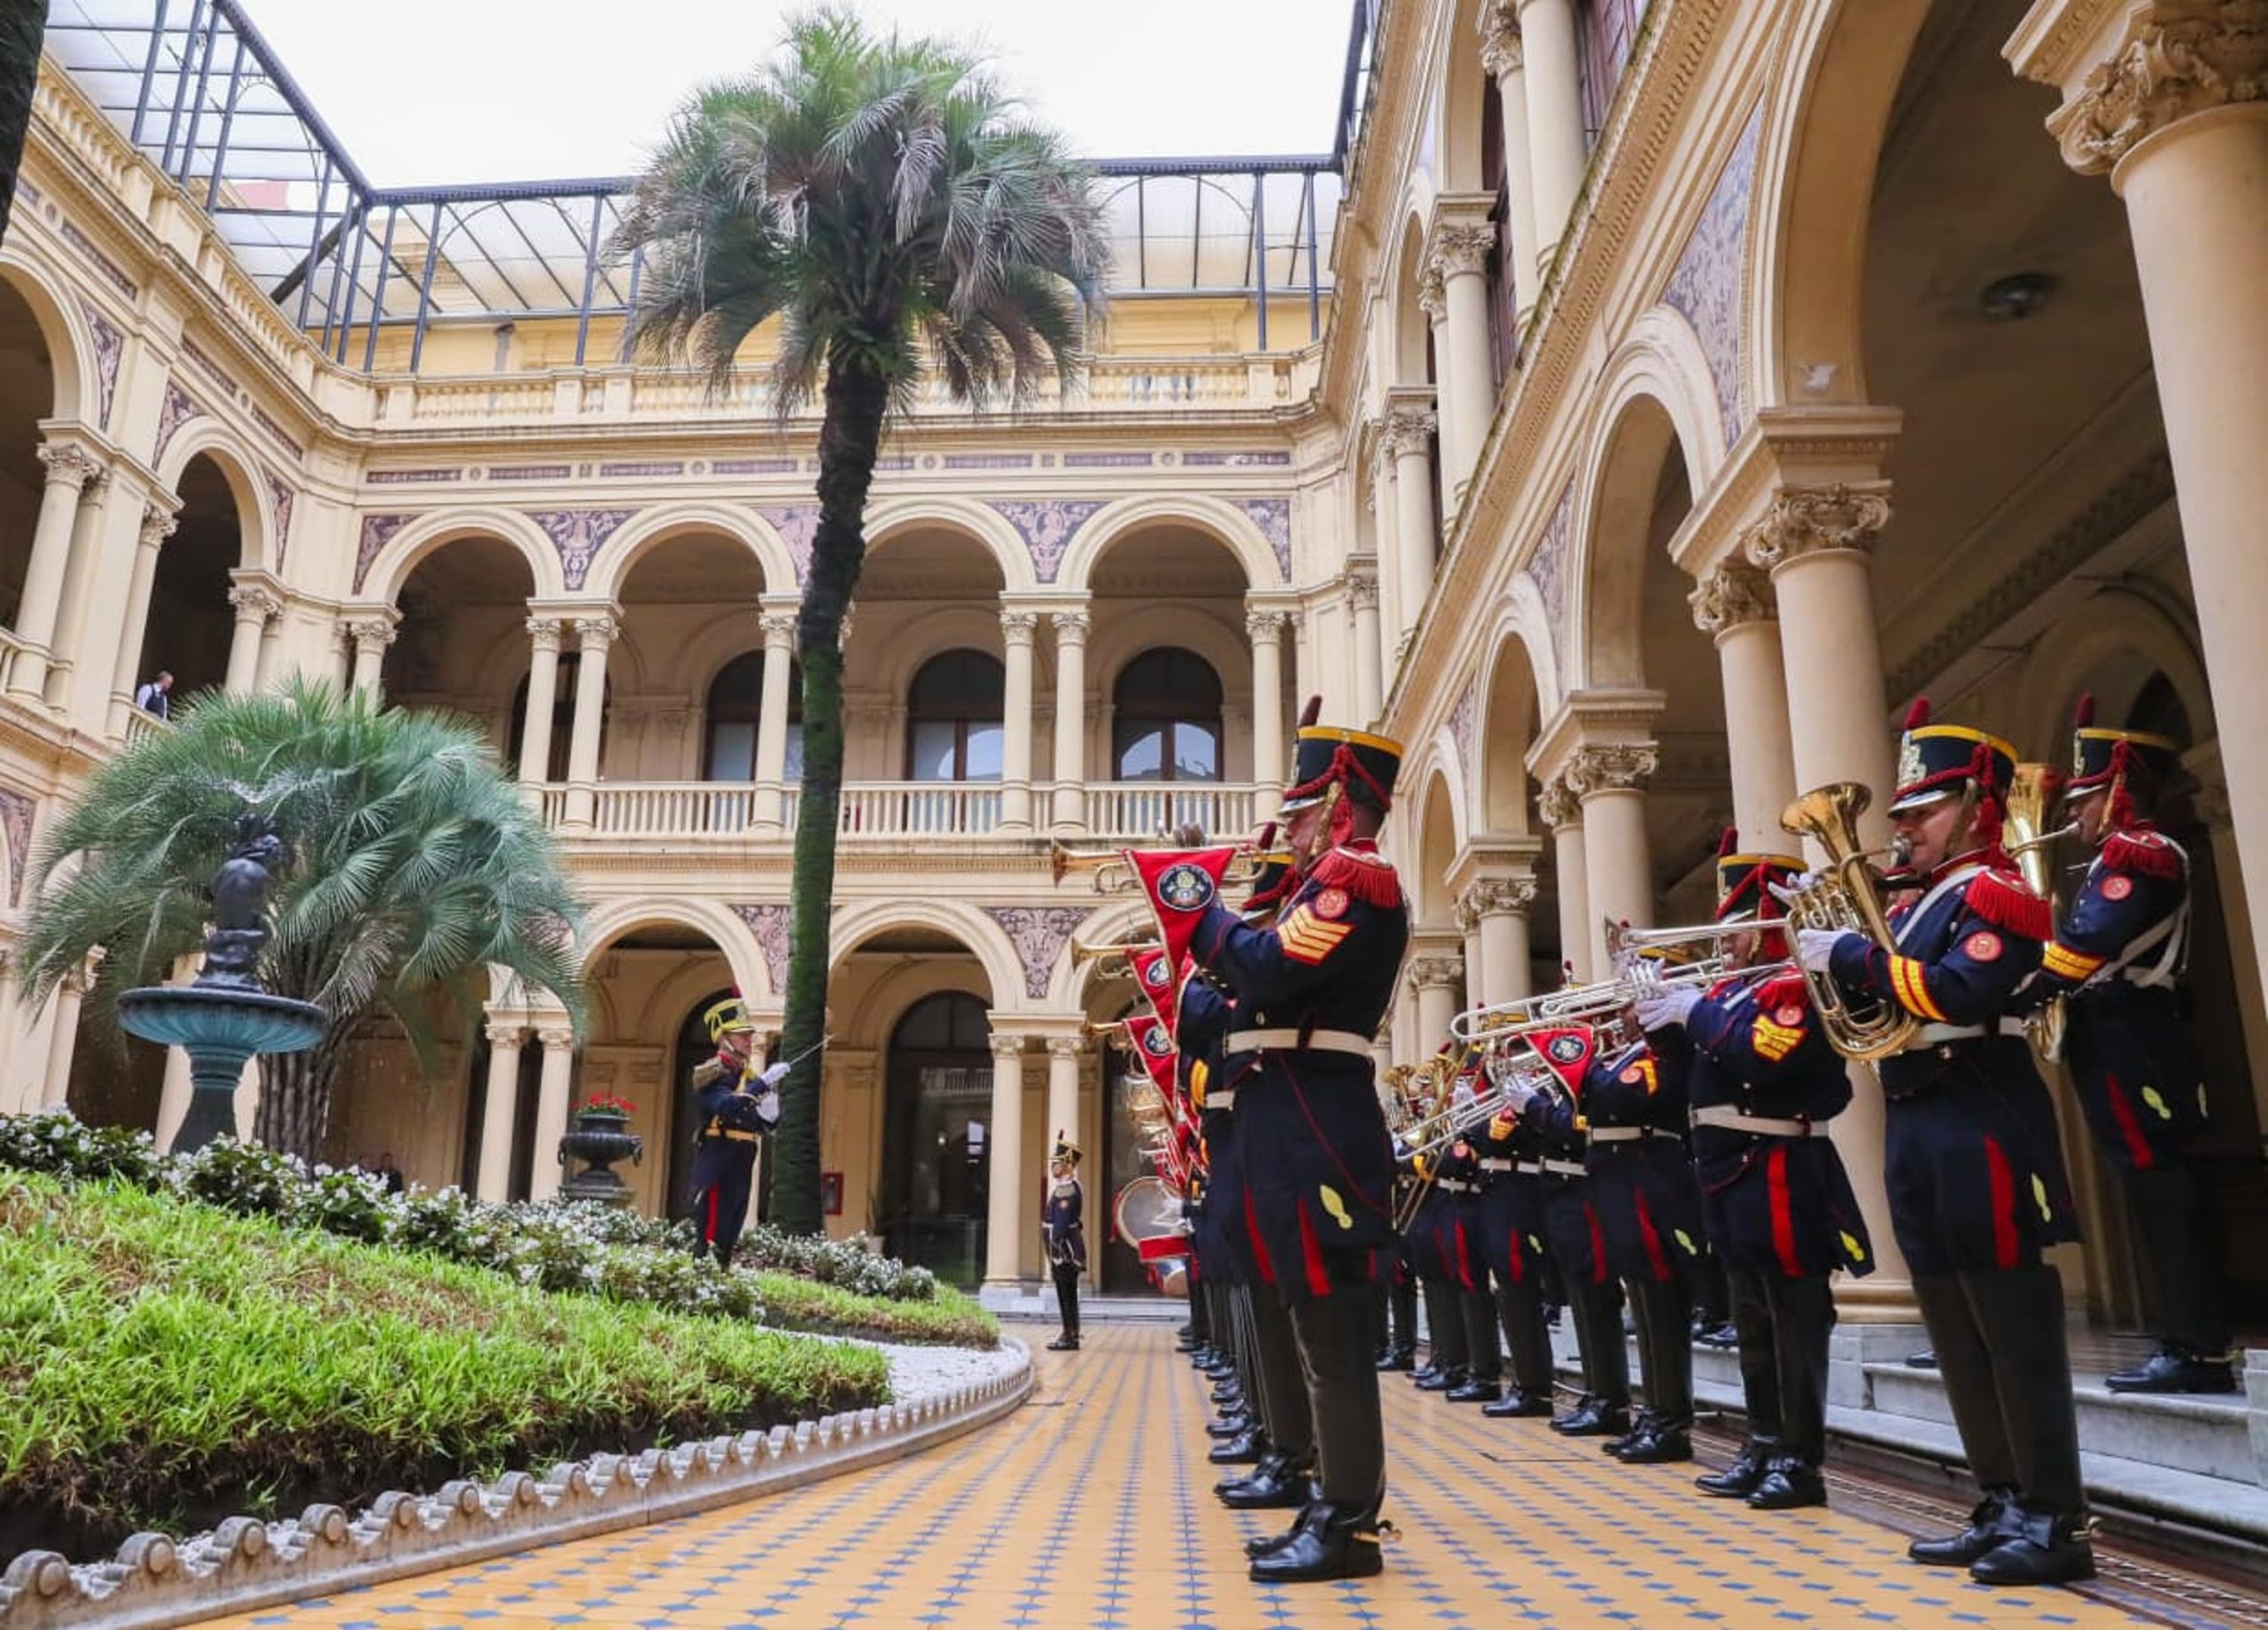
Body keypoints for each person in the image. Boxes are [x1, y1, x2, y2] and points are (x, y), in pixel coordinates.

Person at [1799, 700, 2091, 1586]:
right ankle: (2000, 1496)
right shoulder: (1920, 903)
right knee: (1956, 1330)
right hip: (1918, 1120)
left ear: (1974, 806)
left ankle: (2054, 1516)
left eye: (1921, 812)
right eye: (1898, 816)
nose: (1901, 831)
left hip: (1981, 1116)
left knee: (2013, 1328)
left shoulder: (1994, 891)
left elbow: (1961, 992)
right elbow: (1885, 1010)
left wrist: (1849, 959)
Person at [1184, 710, 1409, 1584]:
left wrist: (1198, 908)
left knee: (1334, 1330)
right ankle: (1329, 1502)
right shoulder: (1320, 889)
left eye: (1304, 810)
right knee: (1314, 1327)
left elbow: (1269, 973)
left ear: (1341, 810)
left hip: (1320, 1130)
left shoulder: (1354, 881)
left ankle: (1347, 1520)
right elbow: (1243, 1003)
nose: (1289, 828)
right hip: (1293, 1125)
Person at [1636, 834, 1875, 1510]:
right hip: (1730, 1172)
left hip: (1782, 1169)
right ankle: (1764, 1441)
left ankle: (1801, 1460)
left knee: (1794, 1318)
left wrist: (1694, 1010)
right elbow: (1693, 1077)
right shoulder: (1734, 995)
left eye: (1740, 929)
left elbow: (1760, 1059)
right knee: (1752, 1317)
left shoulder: (1795, 986)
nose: (1729, 943)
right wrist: (1662, 1021)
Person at [2029, 696, 2232, 1394]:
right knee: (2144, 1183)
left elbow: (2087, 945)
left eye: (2084, 798)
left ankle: (2196, 1345)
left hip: (2132, 1029)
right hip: (2113, 1027)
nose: (2074, 816)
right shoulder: (2113, 860)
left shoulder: (2139, 853)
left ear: (2116, 792)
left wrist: (2015, 976)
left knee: (2158, 1182)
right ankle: (2181, 1336)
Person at [687, 993, 786, 1267]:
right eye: (741, 1035)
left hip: (744, 1153)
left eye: (749, 1035)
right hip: (719, 1154)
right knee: (711, 1223)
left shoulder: (749, 1077)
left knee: (734, 1218)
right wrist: (761, 1085)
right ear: (724, 1038)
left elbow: (763, 1124)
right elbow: (727, 1107)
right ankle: (702, 1275)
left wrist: (771, 1110)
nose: (748, 1039)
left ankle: (723, 1269)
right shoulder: (711, 1074)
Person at [1041, 1135, 1086, 1351]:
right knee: (1067, 1292)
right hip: (1065, 1248)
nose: (1053, 1166)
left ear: (1068, 1165)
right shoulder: (1066, 1186)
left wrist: (1056, 1246)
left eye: (1057, 1163)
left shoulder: (1066, 1189)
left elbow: (1061, 1221)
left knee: (1065, 1293)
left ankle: (1069, 1336)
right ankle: (1071, 1333)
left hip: (1064, 1249)